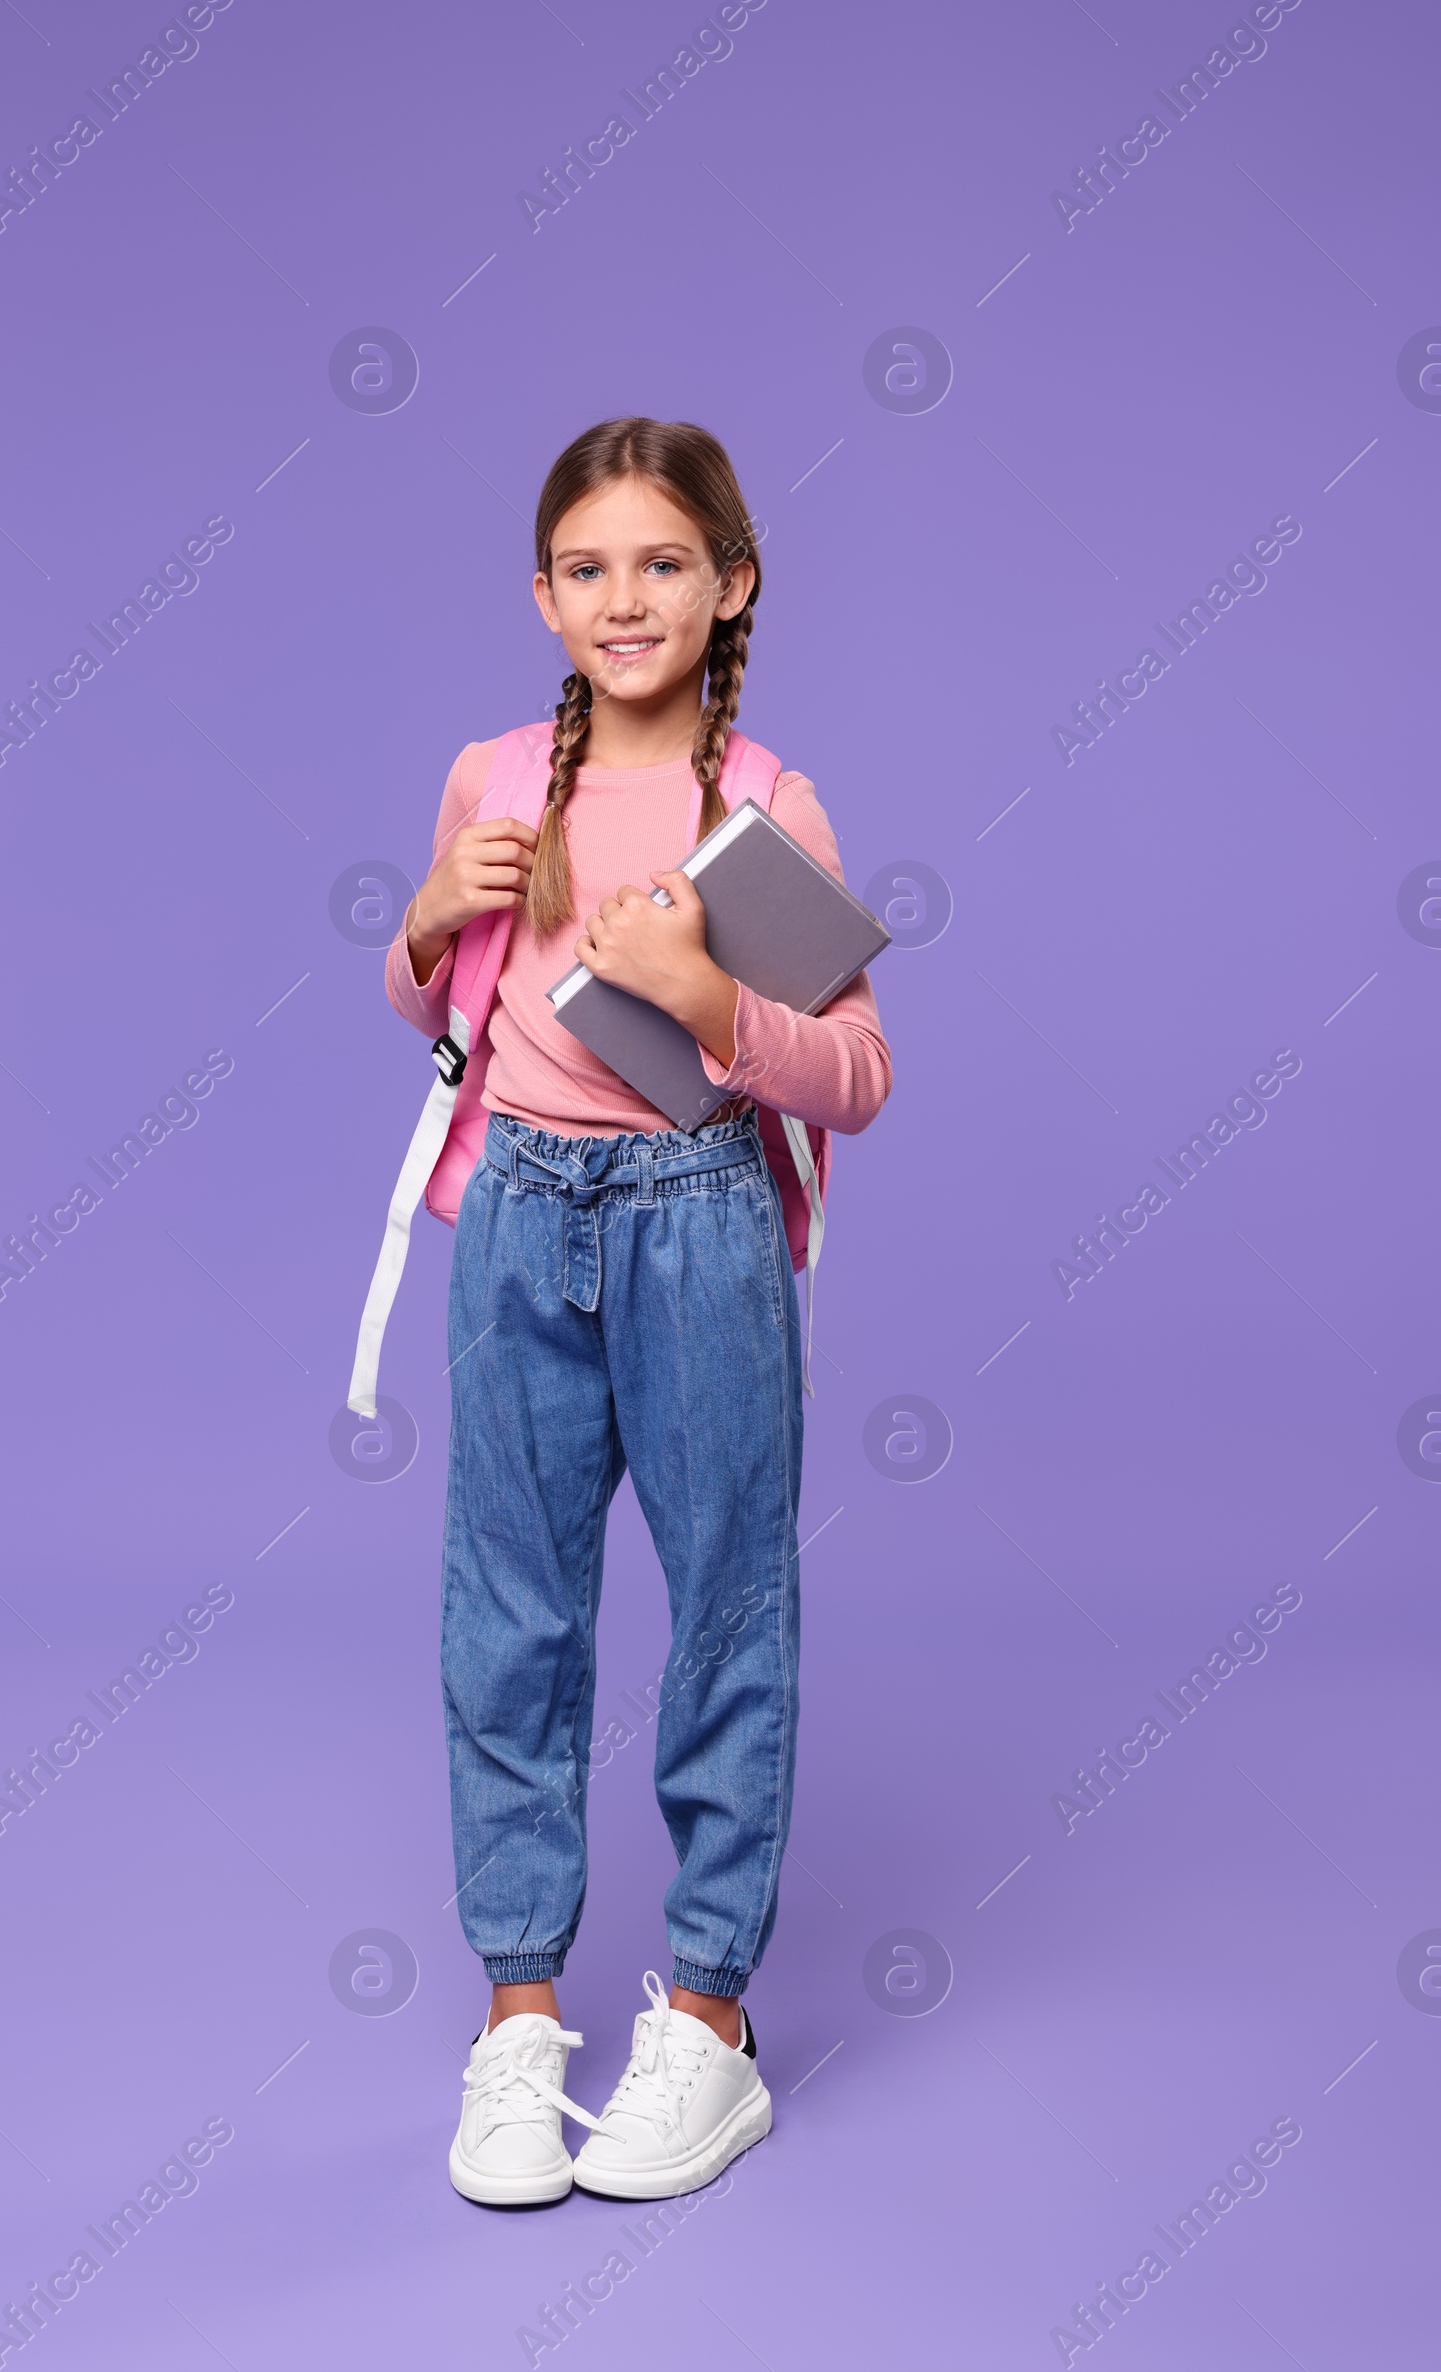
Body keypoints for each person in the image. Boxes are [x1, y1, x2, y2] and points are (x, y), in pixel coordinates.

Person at [385, 417, 892, 2205]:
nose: (626, 597)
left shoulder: (769, 810)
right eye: (589, 568)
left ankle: (710, 2024)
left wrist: (708, 998)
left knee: (726, 1614)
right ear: (543, 596)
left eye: (664, 563)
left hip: (699, 1229)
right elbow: (435, 1000)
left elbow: (856, 1077)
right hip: (521, 1216)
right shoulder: (492, 773)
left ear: (730, 583)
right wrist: (432, 908)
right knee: (506, 1616)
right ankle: (521, 2020)